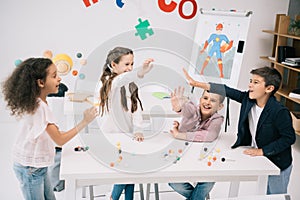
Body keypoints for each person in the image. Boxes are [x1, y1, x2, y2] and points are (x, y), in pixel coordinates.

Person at [183, 66, 296, 195]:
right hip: (258, 156)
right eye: (250, 81)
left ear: (269, 88)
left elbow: (289, 138)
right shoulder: (247, 99)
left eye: (256, 82)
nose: (250, 85)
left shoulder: (279, 111)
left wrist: (262, 151)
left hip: (277, 161)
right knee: (262, 191)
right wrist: (197, 84)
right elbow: (226, 90)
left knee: (275, 195)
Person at [1, 57, 98, 200]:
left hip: (35, 166)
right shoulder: (40, 108)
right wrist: (85, 121)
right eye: (54, 76)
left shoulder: (38, 102)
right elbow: (59, 140)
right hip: (30, 169)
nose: (59, 79)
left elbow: (49, 133)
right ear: (40, 83)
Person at [94, 46, 154, 200]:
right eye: (127, 64)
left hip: (127, 133)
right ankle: (113, 197)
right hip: (111, 135)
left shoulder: (129, 82)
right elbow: (120, 81)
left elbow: (135, 108)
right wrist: (140, 72)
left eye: (132, 64)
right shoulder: (107, 82)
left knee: (131, 168)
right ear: (113, 65)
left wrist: (138, 129)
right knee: (126, 170)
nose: (130, 68)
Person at [168, 86, 225, 200]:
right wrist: (178, 107)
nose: (207, 102)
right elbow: (185, 109)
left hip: (202, 159)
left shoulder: (217, 119)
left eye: (213, 100)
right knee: (172, 180)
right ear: (200, 100)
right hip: (182, 156)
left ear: (220, 106)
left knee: (209, 180)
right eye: (205, 98)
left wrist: (180, 134)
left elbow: (210, 136)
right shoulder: (193, 109)